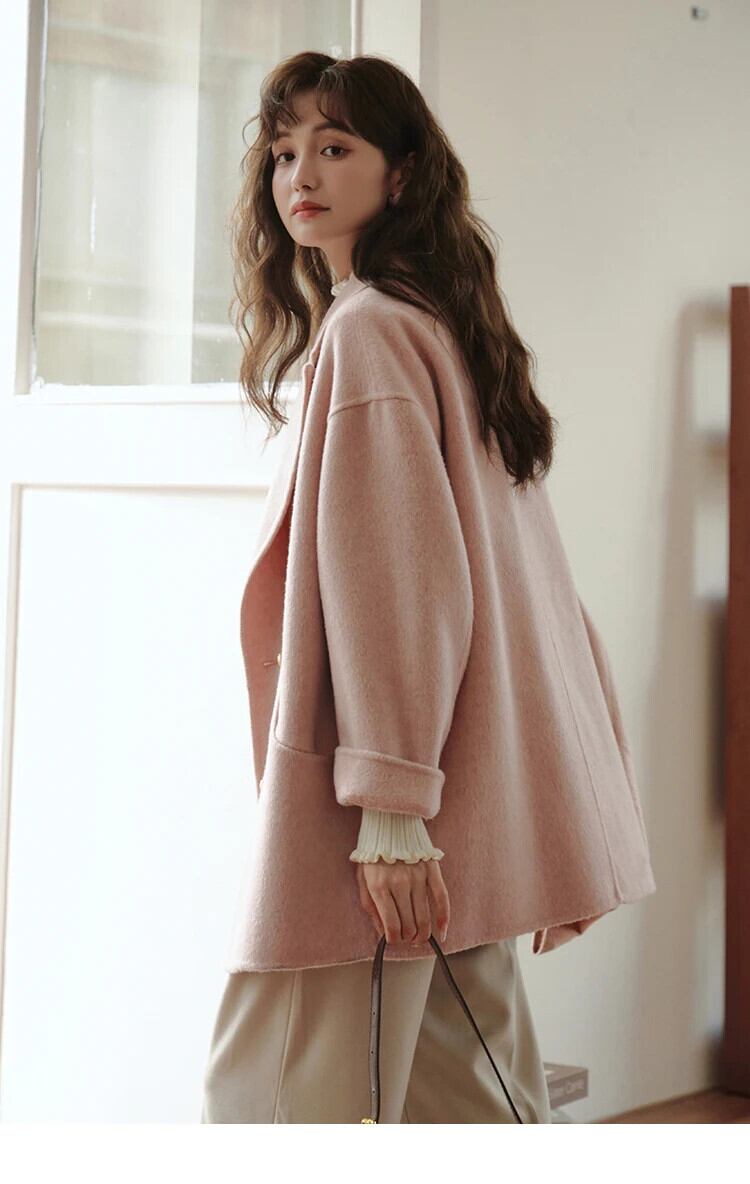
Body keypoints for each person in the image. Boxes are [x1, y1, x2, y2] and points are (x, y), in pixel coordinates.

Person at [200, 51, 656, 1124]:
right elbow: (528, 591)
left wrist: (393, 813)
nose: (301, 175)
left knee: (272, 1103)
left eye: (335, 146)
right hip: (462, 796)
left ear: (400, 173)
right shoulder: (444, 326)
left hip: (385, 818)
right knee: (478, 1100)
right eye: (284, 154)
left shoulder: (372, 331)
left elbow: (403, 599)